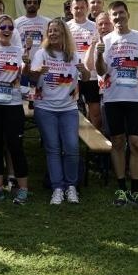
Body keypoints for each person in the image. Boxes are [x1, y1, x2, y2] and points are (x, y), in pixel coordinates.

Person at [96, 0, 138, 211]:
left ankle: (136, 189)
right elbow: (101, 70)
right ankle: (121, 187)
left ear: (127, 14)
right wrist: (97, 53)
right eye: (114, 15)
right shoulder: (106, 40)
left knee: (137, 143)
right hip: (112, 98)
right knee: (117, 142)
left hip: (135, 99)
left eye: (121, 13)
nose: (118, 18)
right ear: (110, 18)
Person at [32, 18, 89, 204]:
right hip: (45, 107)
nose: (53, 34)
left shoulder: (73, 55)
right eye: (51, 31)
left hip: (68, 108)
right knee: (53, 148)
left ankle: (71, 186)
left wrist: (85, 71)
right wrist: (38, 71)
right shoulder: (41, 54)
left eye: (57, 30)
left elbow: (86, 77)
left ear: (64, 33)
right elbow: (32, 79)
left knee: (72, 147)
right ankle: (57, 187)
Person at [0, 14, 31, 204]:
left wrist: (25, 65)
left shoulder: (19, 51)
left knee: (16, 146)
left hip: (13, 104)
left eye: (10, 27)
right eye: (2, 28)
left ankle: (23, 188)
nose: (7, 31)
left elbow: (24, 77)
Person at [67, 0, 101, 131]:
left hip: (91, 75)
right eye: (76, 8)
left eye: (82, 7)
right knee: (70, 110)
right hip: (70, 75)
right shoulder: (65, 27)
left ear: (87, 8)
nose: (79, 10)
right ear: (71, 9)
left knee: (95, 112)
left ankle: (96, 146)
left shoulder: (95, 27)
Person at [15, 0, 51, 69]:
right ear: (24, 5)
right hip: (22, 63)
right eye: (29, 2)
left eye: (35, 2)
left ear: (39, 6)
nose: (32, 4)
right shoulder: (16, 23)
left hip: (42, 63)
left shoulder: (47, 22)